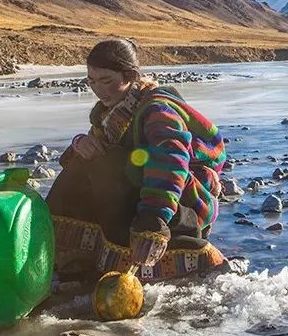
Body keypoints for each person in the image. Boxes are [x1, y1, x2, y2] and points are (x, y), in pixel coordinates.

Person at [45, 38, 227, 284]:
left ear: (129, 75)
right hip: (149, 190)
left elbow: (170, 159)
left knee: (109, 165)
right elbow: (93, 148)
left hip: (182, 200)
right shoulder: (114, 114)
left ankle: (171, 248)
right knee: (89, 163)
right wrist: (80, 144)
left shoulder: (158, 110)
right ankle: (79, 256)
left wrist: (154, 221)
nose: (98, 90)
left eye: (106, 80)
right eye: (92, 82)